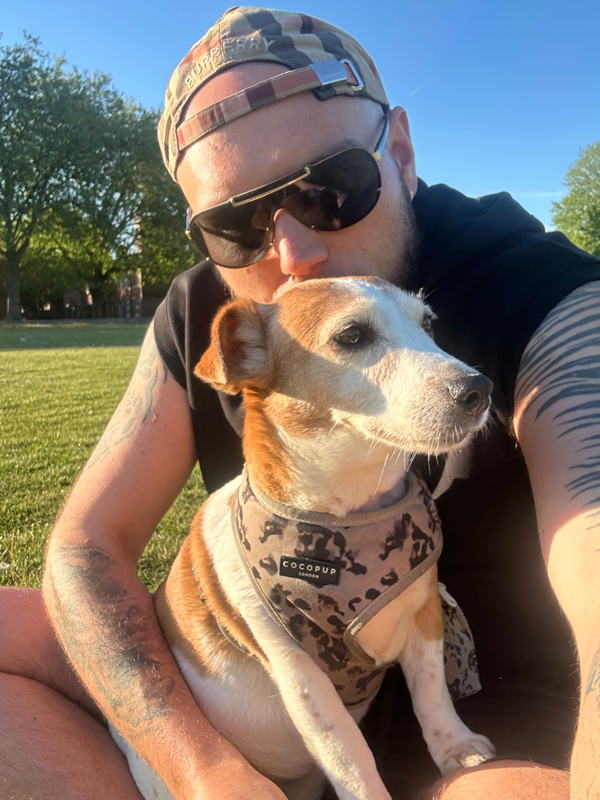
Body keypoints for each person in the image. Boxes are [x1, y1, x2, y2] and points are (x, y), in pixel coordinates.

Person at [1, 7, 599, 800]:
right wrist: (205, 770)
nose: (294, 253)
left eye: (332, 188)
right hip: (249, 706)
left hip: (485, 734)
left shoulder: (538, 288)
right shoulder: (208, 313)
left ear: (401, 153)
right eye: (232, 225)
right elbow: (86, 547)